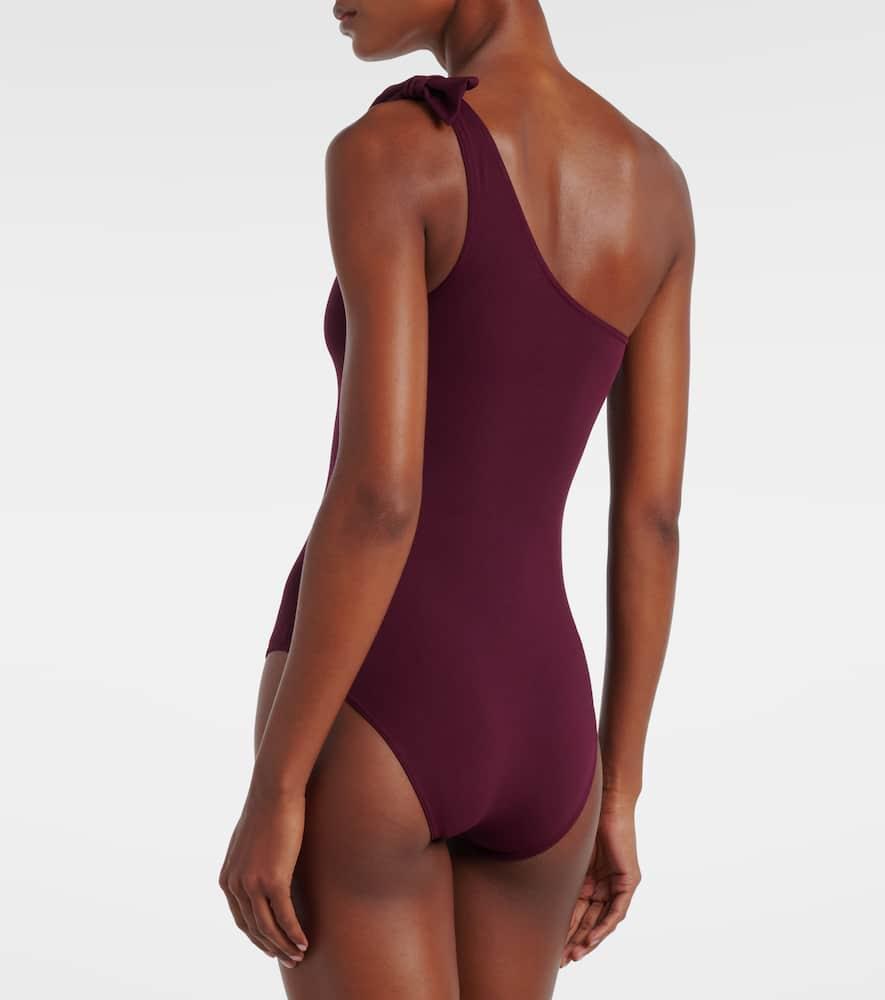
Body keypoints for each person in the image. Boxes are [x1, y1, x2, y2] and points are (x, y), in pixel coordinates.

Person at [219, 1, 693, 996]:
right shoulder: (654, 184)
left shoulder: (393, 151)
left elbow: (381, 496)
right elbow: (652, 520)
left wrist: (278, 783)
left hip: (378, 695)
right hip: (549, 724)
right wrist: (617, 788)